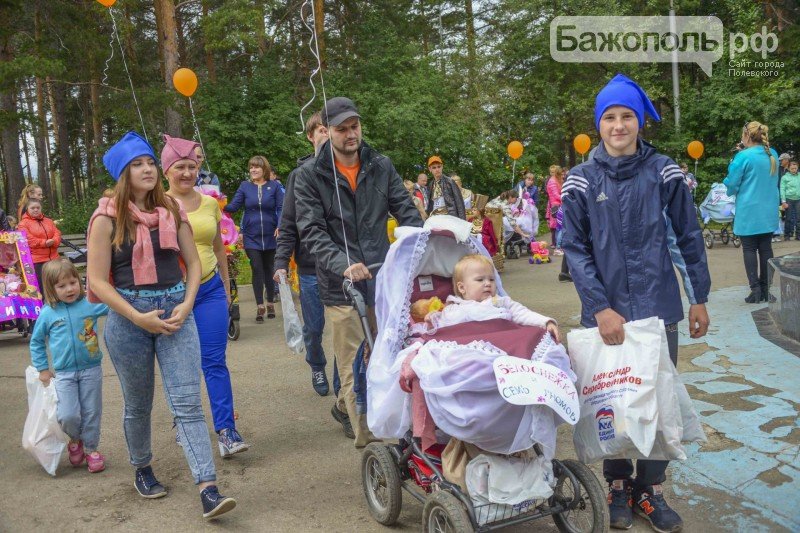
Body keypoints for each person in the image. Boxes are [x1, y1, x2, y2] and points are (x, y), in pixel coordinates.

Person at [562, 73, 711, 533]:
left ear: (640, 121)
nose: (619, 125)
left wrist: (699, 297)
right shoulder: (580, 180)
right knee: (610, 397)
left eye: (627, 115)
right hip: (605, 312)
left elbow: (689, 236)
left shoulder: (664, 170)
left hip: (658, 310)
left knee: (657, 400)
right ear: (598, 124)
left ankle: (652, 489)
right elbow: (576, 248)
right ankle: (618, 484)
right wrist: (601, 307)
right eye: (610, 117)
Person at [86, 131, 236, 518]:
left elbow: (195, 262)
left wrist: (186, 305)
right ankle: (143, 467)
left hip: (174, 314)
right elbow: (98, 281)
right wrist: (136, 315)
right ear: (123, 174)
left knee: (187, 403)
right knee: (138, 404)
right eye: (138, 164)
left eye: (150, 162)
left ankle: (208, 488)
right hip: (128, 319)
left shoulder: (171, 209)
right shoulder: (105, 219)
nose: (148, 169)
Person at [293, 96, 423, 446]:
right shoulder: (309, 175)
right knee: (353, 363)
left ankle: (367, 411)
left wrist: (418, 246)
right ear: (327, 131)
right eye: (342, 129)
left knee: (388, 351)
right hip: (341, 283)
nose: (351, 135)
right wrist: (343, 265)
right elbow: (312, 231)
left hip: (382, 278)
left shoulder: (381, 165)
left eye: (355, 127)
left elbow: (406, 211)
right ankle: (371, 441)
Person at [162, 134, 250, 457]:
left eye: (191, 166)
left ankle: (227, 431)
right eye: (179, 167)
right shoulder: (159, 205)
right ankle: (184, 425)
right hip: (173, 295)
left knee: (214, 362)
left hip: (211, 289)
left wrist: (227, 289)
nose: (187, 173)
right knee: (181, 366)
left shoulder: (211, 203)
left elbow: (219, 248)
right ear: (166, 171)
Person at [30, 259, 109, 473]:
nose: (69, 289)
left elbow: (113, 305)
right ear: (51, 289)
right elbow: (36, 341)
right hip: (63, 373)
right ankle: (75, 439)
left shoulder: (89, 304)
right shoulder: (48, 313)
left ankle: (92, 449)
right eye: (61, 286)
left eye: (73, 282)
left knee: (92, 411)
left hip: (91, 368)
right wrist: (43, 368)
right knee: (67, 414)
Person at [274, 111, 332, 396]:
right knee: (314, 326)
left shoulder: (349, 171)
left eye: (329, 129)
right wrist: (281, 262)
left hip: (345, 265)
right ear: (310, 136)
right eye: (321, 130)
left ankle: (346, 378)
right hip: (311, 266)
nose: (327, 134)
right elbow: (288, 223)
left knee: (350, 329)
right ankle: (317, 364)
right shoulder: (299, 175)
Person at [427, 254, 560, 341]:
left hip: (503, 344)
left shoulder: (499, 302)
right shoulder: (455, 307)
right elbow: (444, 332)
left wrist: (546, 322)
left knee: (534, 340)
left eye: (491, 279)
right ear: (462, 288)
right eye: (480, 280)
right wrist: (432, 321)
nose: (487, 283)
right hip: (468, 349)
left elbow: (522, 313)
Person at [723, 122, 781, 302]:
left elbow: (731, 185)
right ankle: (765, 289)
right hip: (769, 210)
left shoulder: (742, 157)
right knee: (766, 248)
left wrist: (729, 175)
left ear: (747, 136)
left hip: (749, 211)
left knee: (749, 249)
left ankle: (755, 289)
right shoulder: (773, 154)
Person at [224, 155, 284, 321]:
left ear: (264, 169)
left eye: (256, 167)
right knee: (257, 267)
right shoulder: (245, 186)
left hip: (272, 235)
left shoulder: (274, 186)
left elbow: (281, 208)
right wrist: (216, 202)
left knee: (269, 268)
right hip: (252, 236)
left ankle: (270, 302)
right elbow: (233, 207)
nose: (253, 170)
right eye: (251, 167)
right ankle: (260, 306)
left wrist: (280, 225)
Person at [17, 198, 61, 284]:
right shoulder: (22, 224)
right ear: (27, 209)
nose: (36, 210)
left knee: (57, 284)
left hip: (54, 258)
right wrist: (44, 243)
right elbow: (29, 240)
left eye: (38, 207)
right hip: (37, 261)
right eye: (32, 208)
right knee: (43, 286)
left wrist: (54, 241)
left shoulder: (49, 221)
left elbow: (57, 233)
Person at [781, 160, 799, 241]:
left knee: (799, 218)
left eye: (795, 168)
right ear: (788, 169)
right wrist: (783, 201)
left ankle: (798, 236)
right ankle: (786, 235)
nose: (794, 170)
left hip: (798, 199)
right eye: (792, 168)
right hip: (788, 199)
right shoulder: (785, 177)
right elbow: (782, 189)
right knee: (788, 218)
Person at [545, 165, 563, 248]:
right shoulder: (552, 181)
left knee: (557, 226)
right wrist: (565, 198)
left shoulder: (556, 180)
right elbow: (556, 195)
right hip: (555, 205)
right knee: (557, 226)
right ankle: (557, 245)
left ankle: (557, 244)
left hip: (558, 204)